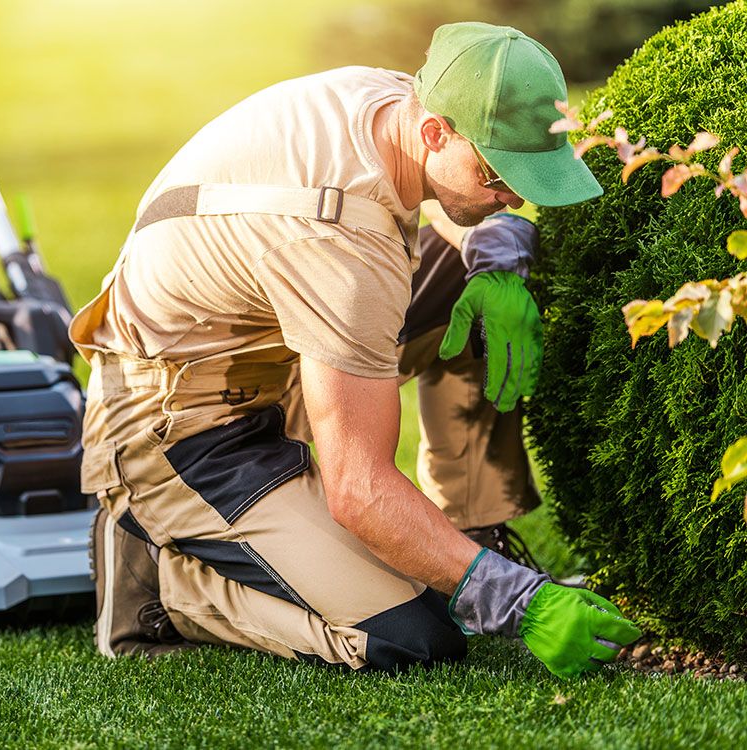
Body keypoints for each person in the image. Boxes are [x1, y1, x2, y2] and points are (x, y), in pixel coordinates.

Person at [70, 22, 641, 677]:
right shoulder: (340, 245)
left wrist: (498, 264)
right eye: (496, 174)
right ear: (435, 132)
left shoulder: (397, 102)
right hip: (179, 427)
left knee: (474, 275)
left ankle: (477, 531)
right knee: (414, 634)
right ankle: (170, 589)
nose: (513, 196)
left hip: (270, 349)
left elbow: (453, 213)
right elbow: (360, 490)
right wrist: (514, 601)